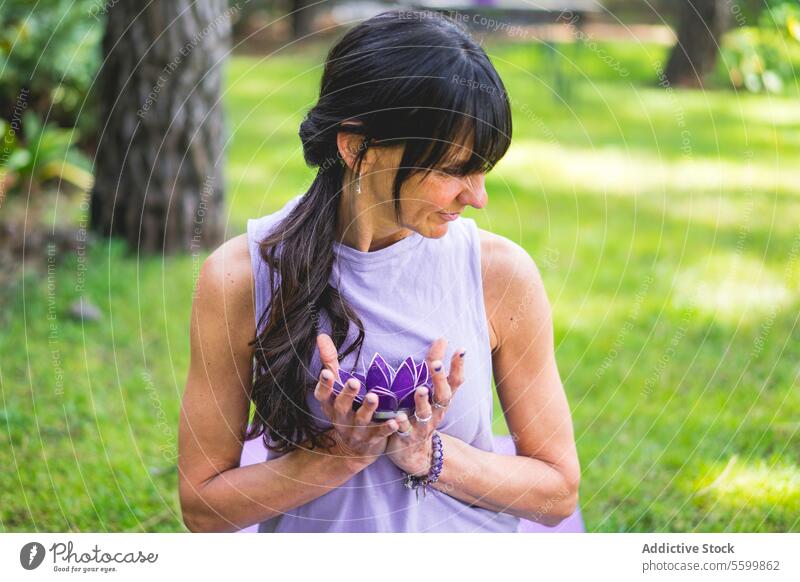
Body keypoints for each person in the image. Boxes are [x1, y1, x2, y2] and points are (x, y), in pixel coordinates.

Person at [178, 8, 579, 533]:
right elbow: (202, 507)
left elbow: (558, 491)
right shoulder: (242, 276)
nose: (478, 198)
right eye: (453, 170)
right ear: (357, 148)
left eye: (484, 170)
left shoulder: (498, 274)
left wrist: (427, 453)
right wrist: (339, 454)